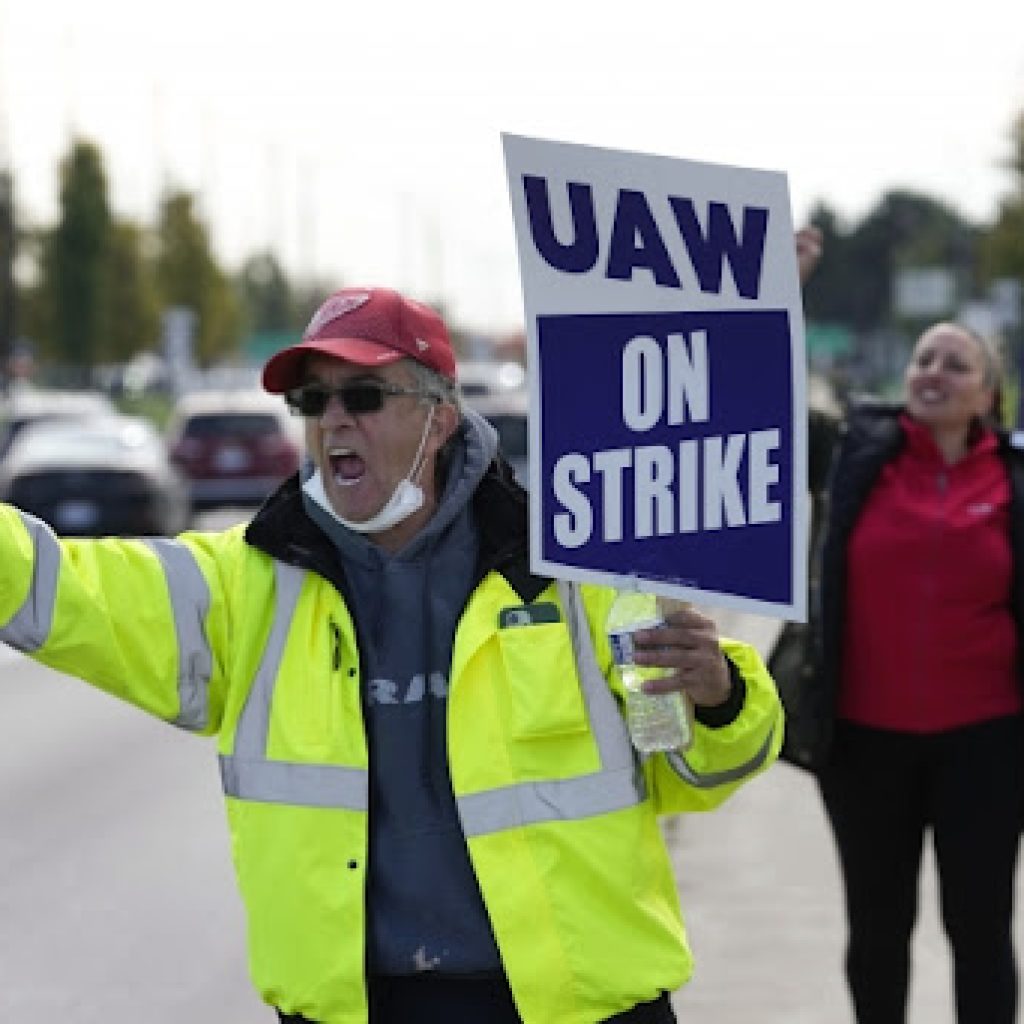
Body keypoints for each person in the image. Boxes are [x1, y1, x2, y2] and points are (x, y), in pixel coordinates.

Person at [0, 285, 782, 1024]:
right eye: (314, 400)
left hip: (578, 1007)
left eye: (364, 396)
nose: (333, 420)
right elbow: (64, 587)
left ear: (440, 419)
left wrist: (717, 693)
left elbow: (692, 770)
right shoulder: (249, 582)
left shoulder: (571, 567)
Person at [777, 312, 1024, 1023]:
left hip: (987, 748)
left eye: (954, 364)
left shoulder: (1009, 478)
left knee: (980, 932)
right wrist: (784, 288)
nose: (932, 373)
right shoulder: (854, 455)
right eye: (923, 359)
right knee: (878, 932)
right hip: (863, 744)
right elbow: (758, 402)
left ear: (987, 396)